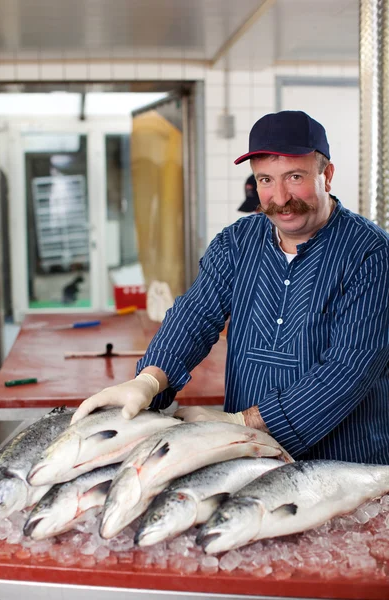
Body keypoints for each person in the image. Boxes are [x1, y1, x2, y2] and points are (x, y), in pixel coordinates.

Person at [72, 110, 389, 465]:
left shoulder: (370, 254)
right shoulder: (237, 242)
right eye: (265, 180)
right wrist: (148, 380)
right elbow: (194, 316)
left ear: (326, 175)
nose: (280, 197)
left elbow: (348, 370)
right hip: (248, 458)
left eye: (294, 177)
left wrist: (242, 422)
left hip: (345, 465)